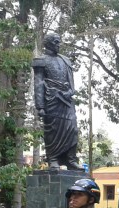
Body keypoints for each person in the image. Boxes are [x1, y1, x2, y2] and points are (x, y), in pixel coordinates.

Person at [32, 33, 83, 172]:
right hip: (51, 100)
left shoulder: (65, 60)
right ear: (48, 43)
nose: (58, 44)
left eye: (59, 42)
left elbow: (71, 82)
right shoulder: (41, 60)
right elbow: (38, 83)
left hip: (66, 100)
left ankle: (71, 159)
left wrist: (70, 92)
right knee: (53, 130)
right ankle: (53, 158)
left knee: (72, 129)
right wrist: (40, 106)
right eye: (56, 42)